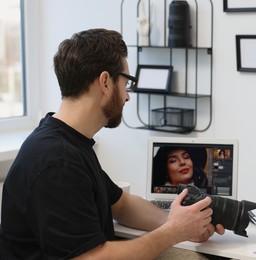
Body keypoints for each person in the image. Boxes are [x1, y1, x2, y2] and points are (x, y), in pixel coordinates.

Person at [0, 28, 224, 259]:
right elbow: (89, 258)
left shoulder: (70, 142)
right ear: (105, 82)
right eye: (126, 83)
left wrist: (182, 222)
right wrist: (173, 231)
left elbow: (123, 204)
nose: (127, 96)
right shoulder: (58, 162)